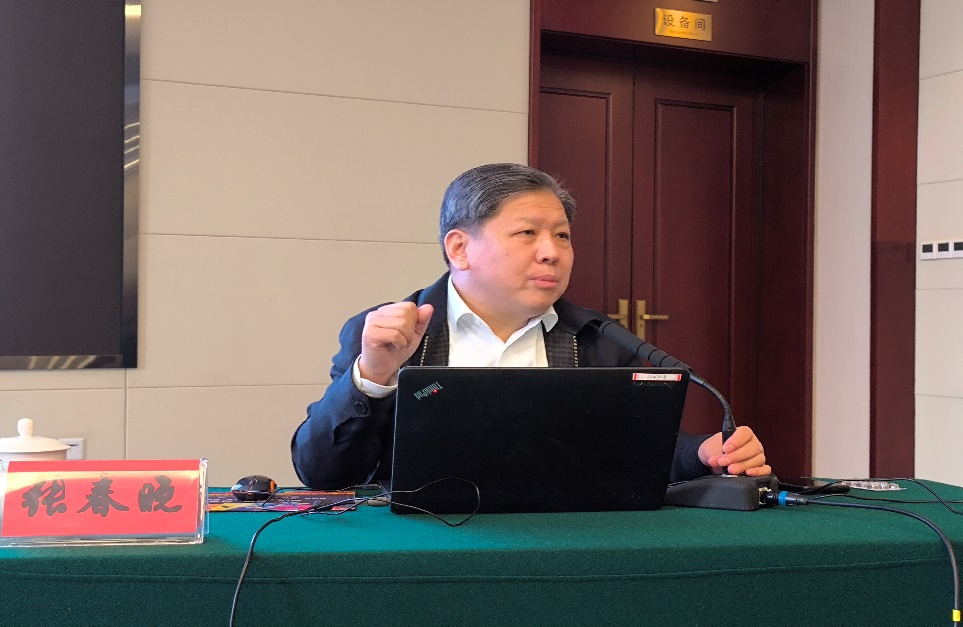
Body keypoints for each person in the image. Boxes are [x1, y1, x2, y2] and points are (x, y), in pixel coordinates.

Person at [291, 163, 770, 490]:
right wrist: (373, 376)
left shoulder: (596, 339)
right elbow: (322, 474)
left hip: (564, 550)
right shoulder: (390, 333)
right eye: (528, 233)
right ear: (459, 248)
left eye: (562, 235)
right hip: (419, 550)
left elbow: (636, 452)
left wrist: (704, 453)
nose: (552, 252)